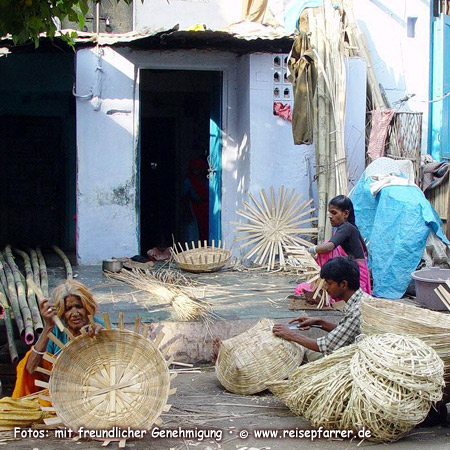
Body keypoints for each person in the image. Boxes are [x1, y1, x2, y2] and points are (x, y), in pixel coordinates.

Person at [12, 280, 104, 398]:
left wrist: (104, 336)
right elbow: (31, 369)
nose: (75, 313)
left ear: (87, 308)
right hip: (61, 395)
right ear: (61, 312)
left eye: (79, 307)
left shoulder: (99, 327)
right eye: (68, 309)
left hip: (95, 394)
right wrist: (48, 326)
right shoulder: (56, 331)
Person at [273, 257, 372, 361]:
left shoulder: (358, 310)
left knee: (306, 354)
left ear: (343, 284)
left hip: (359, 360)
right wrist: (320, 323)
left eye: (329, 283)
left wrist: (291, 335)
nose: (325, 287)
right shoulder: (362, 299)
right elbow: (346, 332)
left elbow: (325, 345)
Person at [296, 195, 371, 302]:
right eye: (329, 213)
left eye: (334, 213)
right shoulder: (351, 228)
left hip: (354, 272)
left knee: (303, 289)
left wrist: (309, 250)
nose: (330, 216)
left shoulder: (346, 227)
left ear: (345, 213)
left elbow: (329, 247)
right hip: (357, 271)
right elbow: (365, 253)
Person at [183, 157, 209, 242]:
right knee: (194, 234)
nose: (197, 172)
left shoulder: (208, 180)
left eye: (199, 169)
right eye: (195, 169)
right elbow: (184, 198)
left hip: (207, 209)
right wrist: (187, 212)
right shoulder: (188, 181)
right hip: (194, 208)